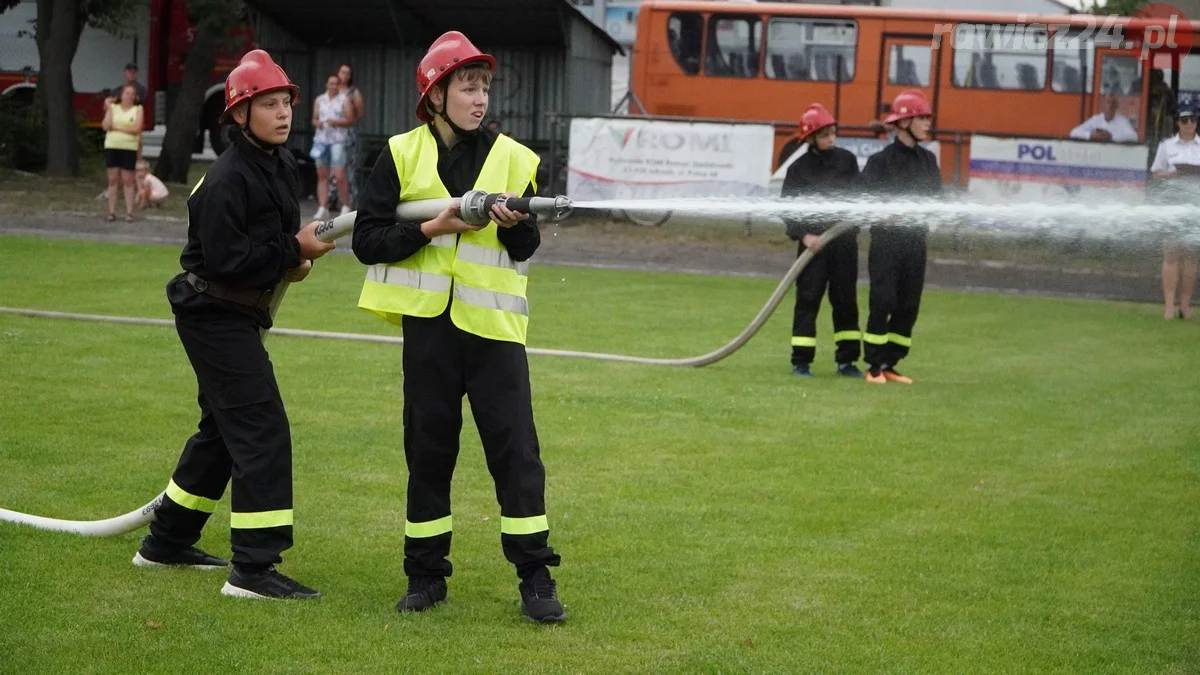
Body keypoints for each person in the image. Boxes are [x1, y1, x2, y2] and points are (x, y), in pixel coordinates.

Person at [352, 31, 565, 623]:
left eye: (485, 87)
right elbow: (367, 242)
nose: (479, 99)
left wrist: (517, 222)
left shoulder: (516, 160)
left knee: (516, 453)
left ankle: (536, 577)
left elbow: (524, 246)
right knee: (427, 452)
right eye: (468, 87)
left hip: (494, 332)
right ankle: (425, 577)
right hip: (429, 334)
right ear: (436, 93)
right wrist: (432, 227)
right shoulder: (398, 155)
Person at [131, 50, 337, 600]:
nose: (282, 113)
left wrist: (294, 260)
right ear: (239, 115)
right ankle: (252, 569)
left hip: (238, 312)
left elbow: (270, 246)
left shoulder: (280, 165)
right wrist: (291, 250)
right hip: (213, 314)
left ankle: (167, 541)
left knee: (222, 431)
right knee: (261, 429)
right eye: (267, 104)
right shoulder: (224, 179)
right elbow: (226, 260)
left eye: (285, 102)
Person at [859, 89, 942, 385]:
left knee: (908, 304)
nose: (927, 124)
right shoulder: (881, 162)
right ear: (905, 122)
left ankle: (891, 363)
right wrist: (883, 211)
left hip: (915, 243)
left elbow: (936, 199)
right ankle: (873, 367)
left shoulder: (928, 161)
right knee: (883, 301)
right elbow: (863, 200)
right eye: (922, 118)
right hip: (886, 243)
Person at [781, 103, 863, 378]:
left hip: (843, 245)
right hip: (812, 249)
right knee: (807, 300)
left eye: (834, 133)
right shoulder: (798, 170)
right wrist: (804, 235)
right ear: (811, 137)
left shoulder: (847, 161)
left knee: (846, 302)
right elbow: (787, 210)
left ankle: (847, 361)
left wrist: (851, 223)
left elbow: (860, 199)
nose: (832, 138)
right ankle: (801, 362)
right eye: (826, 134)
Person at [1149, 105, 1200, 320]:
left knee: (1191, 256)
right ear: (1178, 122)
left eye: (1193, 119)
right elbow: (1155, 173)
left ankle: (1185, 305)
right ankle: (1169, 306)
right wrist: (1172, 176)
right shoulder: (1166, 146)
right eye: (1184, 119)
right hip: (1172, 202)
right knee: (1171, 254)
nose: (1189, 124)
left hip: (1195, 204)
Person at [310, 73, 352, 219]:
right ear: (326, 84)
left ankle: (345, 204)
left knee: (339, 174)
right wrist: (317, 123)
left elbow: (350, 119)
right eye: (331, 83)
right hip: (321, 140)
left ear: (339, 85)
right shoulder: (319, 100)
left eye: (336, 83)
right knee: (322, 175)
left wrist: (336, 122)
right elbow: (314, 119)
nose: (333, 86)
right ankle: (323, 206)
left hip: (338, 140)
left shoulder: (344, 100)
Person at [102, 83, 143, 222]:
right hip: (112, 146)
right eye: (127, 93)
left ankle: (129, 212)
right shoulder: (113, 108)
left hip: (129, 148)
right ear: (121, 95)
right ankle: (111, 212)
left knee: (128, 181)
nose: (130, 96)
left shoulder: (138, 109)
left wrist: (117, 127)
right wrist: (109, 107)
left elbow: (136, 128)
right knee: (113, 180)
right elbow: (106, 126)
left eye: (132, 94)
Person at [338, 63, 366, 210]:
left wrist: (349, 119)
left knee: (349, 168)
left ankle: (351, 202)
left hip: (348, 134)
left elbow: (360, 112)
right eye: (342, 72)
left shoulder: (353, 91)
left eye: (348, 73)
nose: (345, 76)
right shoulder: (333, 89)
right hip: (331, 135)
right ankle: (334, 201)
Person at [1069, 95, 1139, 143]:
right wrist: (1091, 135)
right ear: (1103, 105)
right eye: (1108, 103)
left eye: (1113, 104)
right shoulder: (1096, 120)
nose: (1110, 106)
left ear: (1116, 106)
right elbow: (1073, 133)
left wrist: (1112, 137)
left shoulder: (1122, 121)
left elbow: (1134, 137)